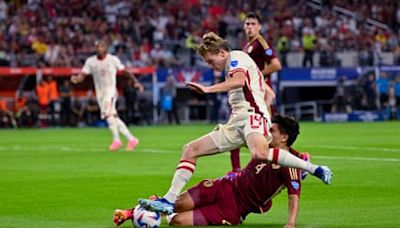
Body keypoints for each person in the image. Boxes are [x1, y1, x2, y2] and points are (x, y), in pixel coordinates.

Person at [138, 32, 332, 215]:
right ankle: (169, 200)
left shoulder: (236, 56)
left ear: (222, 53)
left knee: (260, 154)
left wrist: (207, 89)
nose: (211, 65)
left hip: (252, 116)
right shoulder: (230, 65)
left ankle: (312, 168)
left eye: (211, 61)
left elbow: (239, 81)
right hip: (235, 122)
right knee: (190, 149)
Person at [114, 114, 321, 227]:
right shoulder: (263, 146)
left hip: (233, 208)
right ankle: (130, 213)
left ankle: (152, 218)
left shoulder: (291, 163)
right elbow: (237, 143)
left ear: (284, 137)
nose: (267, 132)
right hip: (224, 186)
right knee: (174, 201)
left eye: (273, 130)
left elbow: (294, 196)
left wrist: (291, 224)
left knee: (177, 221)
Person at [228, 12, 284, 173]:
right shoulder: (247, 46)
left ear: (259, 27)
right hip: (251, 95)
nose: (250, 27)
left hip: (260, 96)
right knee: (237, 128)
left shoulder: (260, 43)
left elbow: (276, 65)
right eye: (247, 24)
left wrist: (257, 76)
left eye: (253, 24)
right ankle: (236, 171)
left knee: (269, 135)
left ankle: (299, 160)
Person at [71, 39, 143, 151]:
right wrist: (77, 79)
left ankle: (117, 140)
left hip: (110, 91)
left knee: (107, 114)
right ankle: (131, 139)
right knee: (112, 116)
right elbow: (83, 74)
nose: (100, 49)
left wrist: (136, 82)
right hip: (100, 93)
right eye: (98, 47)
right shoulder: (91, 61)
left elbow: (125, 71)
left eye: (102, 46)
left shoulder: (112, 60)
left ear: (106, 48)